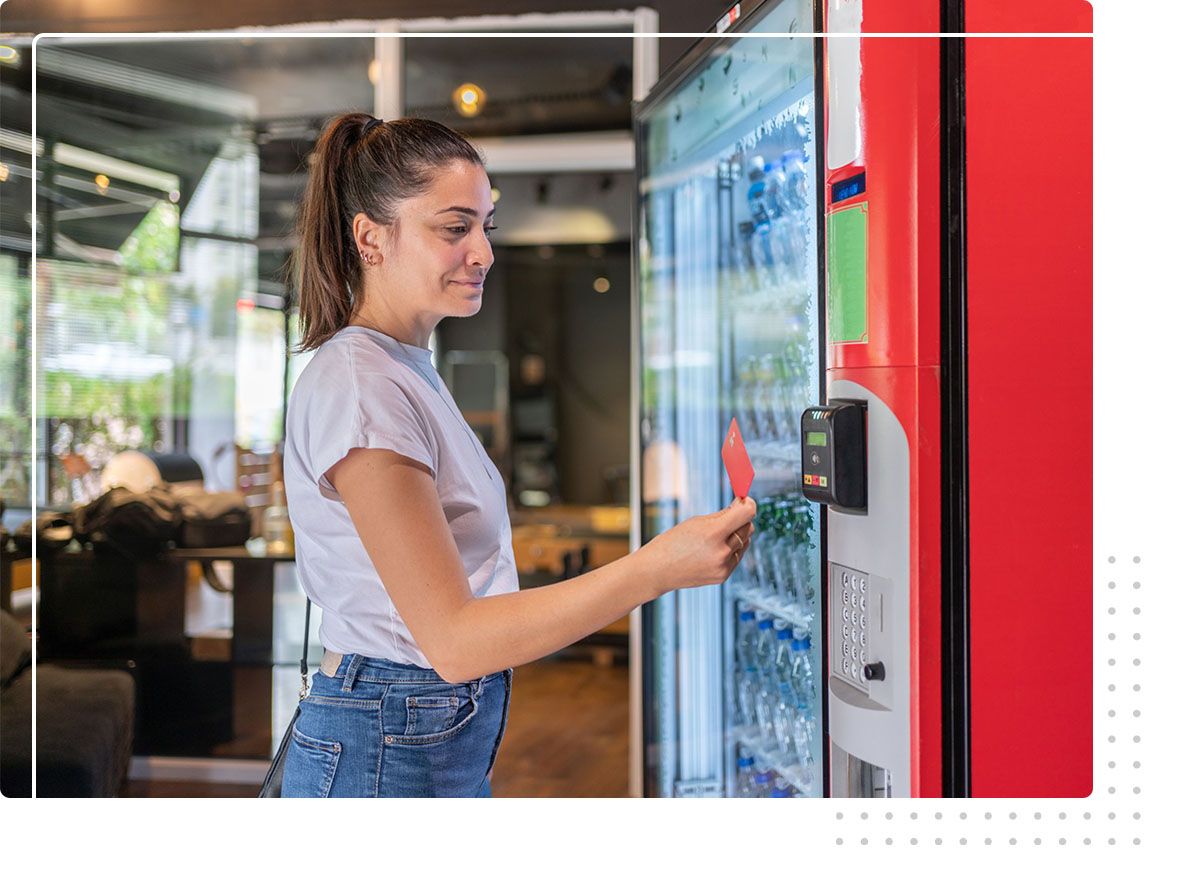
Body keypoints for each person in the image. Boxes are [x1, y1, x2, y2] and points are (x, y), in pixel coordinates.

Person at [280, 113, 756, 797]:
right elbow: (454, 639)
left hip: (411, 725)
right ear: (370, 237)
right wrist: (655, 567)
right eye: (454, 228)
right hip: (388, 733)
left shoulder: (401, 367)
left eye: (485, 227)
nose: (483, 252)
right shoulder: (363, 384)